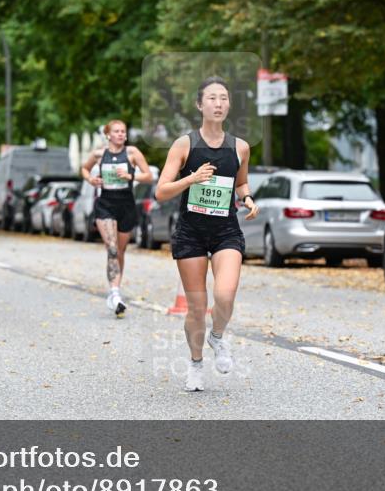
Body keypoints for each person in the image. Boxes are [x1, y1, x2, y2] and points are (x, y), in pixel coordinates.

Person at [154, 77, 259, 391]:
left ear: (228, 105)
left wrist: (248, 198)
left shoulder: (240, 147)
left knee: (225, 296)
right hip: (191, 233)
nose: (218, 103)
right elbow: (161, 191)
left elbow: (241, 183)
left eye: (223, 98)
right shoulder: (184, 145)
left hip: (226, 229)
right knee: (197, 307)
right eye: (212, 98)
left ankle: (217, 337)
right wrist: (192, 179)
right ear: (200, 105)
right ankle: (196, 364)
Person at [80, 120, 153, 317]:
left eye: (123, 131)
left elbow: (148, 176)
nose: (120, 134)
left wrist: (132, 177)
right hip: (106, 205)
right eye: (116, 131)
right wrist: (91, 180)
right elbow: (84, 169)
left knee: (120, 250)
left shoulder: (132, 153)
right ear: (108, 135)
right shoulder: (99, 154)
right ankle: (115, 294)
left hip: (126, 205)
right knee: (111, 248)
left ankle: (115, 290)